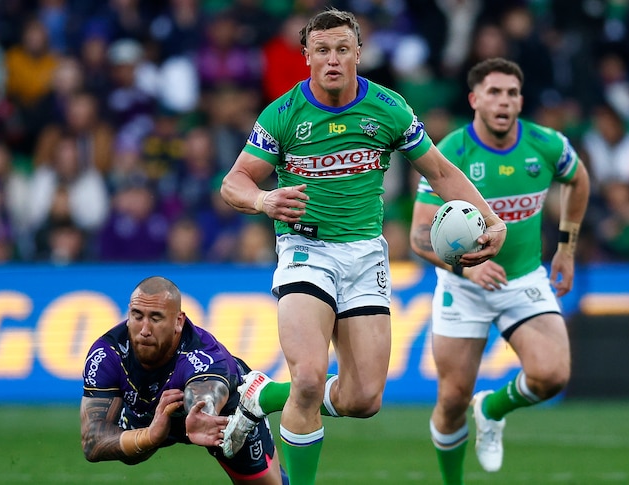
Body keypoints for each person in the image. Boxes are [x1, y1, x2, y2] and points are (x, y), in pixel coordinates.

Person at [219, 9, 507, 484]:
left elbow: (440, 172)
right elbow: (234, 182)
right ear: (307, 56)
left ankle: (260, 395)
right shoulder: (284, 113)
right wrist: (264, 199)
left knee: (363, 400)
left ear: (358, 52)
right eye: (322, 50)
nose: (333, 59)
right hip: (306, 252)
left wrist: (493, 219)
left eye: (342, 49)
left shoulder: (389, 108)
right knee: (309, 379)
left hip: (365, 255)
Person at [409, 57, 590, 483]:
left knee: (552, 375)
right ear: (474, 99)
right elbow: (418, 235)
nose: (503, 101)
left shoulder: (547, 145)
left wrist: (566, 249)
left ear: (521, 100)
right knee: (452, 399)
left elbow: (578, 181)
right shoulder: (450, 151)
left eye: (511, 93)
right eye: (494, 92)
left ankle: (493, 409)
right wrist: (467, 271)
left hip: (523, 277)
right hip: (464, 285)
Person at [79, 276, 288, 484]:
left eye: (156, 318)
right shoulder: (107, 353)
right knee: (130, 454)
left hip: (221, 416)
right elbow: (92, 441)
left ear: (178, 321)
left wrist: (204, 413)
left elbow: (205, 391)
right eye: (137, 316)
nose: (144, 330)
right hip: (150, 414)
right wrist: (149, 437)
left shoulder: (204, 355)